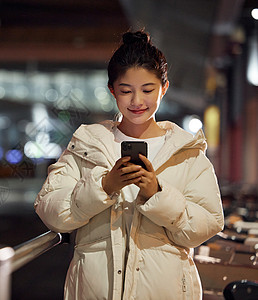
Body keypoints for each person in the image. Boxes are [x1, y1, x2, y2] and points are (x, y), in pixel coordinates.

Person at [34, 30, 224, 300]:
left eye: (148, 90)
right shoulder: (87, 144)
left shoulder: (187, 152)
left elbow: (208, 224)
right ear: (112, 90)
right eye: (126, 91)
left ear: (164, 88)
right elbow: (50, 210)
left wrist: (157, 194)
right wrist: (104, 186)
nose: (137, 102)